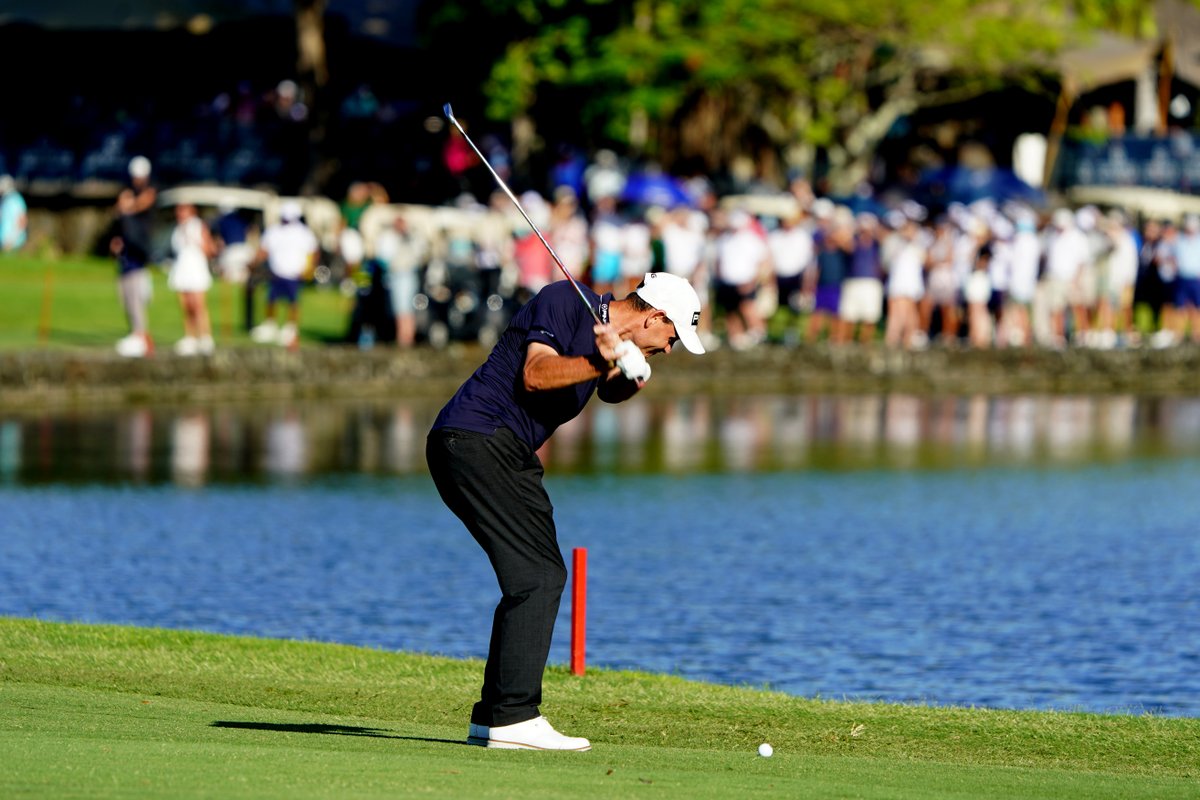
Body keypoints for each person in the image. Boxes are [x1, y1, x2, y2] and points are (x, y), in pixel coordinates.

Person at [426, 271, 706, 751]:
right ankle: (512, 717)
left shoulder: (607, 338)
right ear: (655, 317)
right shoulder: (565, 301)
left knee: (535, 574)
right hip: (477, 438)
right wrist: (602, 361)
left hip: (499, 450)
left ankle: (495, 717)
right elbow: (536, 375)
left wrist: (627, 375)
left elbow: (608, 389)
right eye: (672, 336)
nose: (670, 347)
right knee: (538, 576)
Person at [251, 200, 318, 348]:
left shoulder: (303, 232)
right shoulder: (274, 230)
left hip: (295, 273)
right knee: (271, 299)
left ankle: (291, 328)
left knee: (293, 302)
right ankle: (271, 325)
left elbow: (313, 252)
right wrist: (253, 262)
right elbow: (264, 250)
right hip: (276, 272)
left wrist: (309, 268)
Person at [110, 156, 157, 358]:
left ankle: (141, 337)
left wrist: (127, 206)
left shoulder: (149, 192)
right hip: (126, 252)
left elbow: (140, 204)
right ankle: (136, 334)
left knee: (136, 297)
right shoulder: (127, 193)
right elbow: (118, 213)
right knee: (126, 296)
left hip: (140, 251)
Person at [168, 203, 217, 355]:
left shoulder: (198, 226)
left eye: (183, 211)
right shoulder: (177, 230)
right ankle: (190, 337)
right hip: (182, 269)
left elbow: (209, 249)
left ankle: (205, 337)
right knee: (186, 305)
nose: (180, 214)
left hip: (196, 269)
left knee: (198, 305)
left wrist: (200, 243)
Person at [0, 174, 27, 253]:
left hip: (14, 241)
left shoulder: (16, 199)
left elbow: (22, 221)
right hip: (4, 240)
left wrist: (13, 238)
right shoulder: (4, 200)